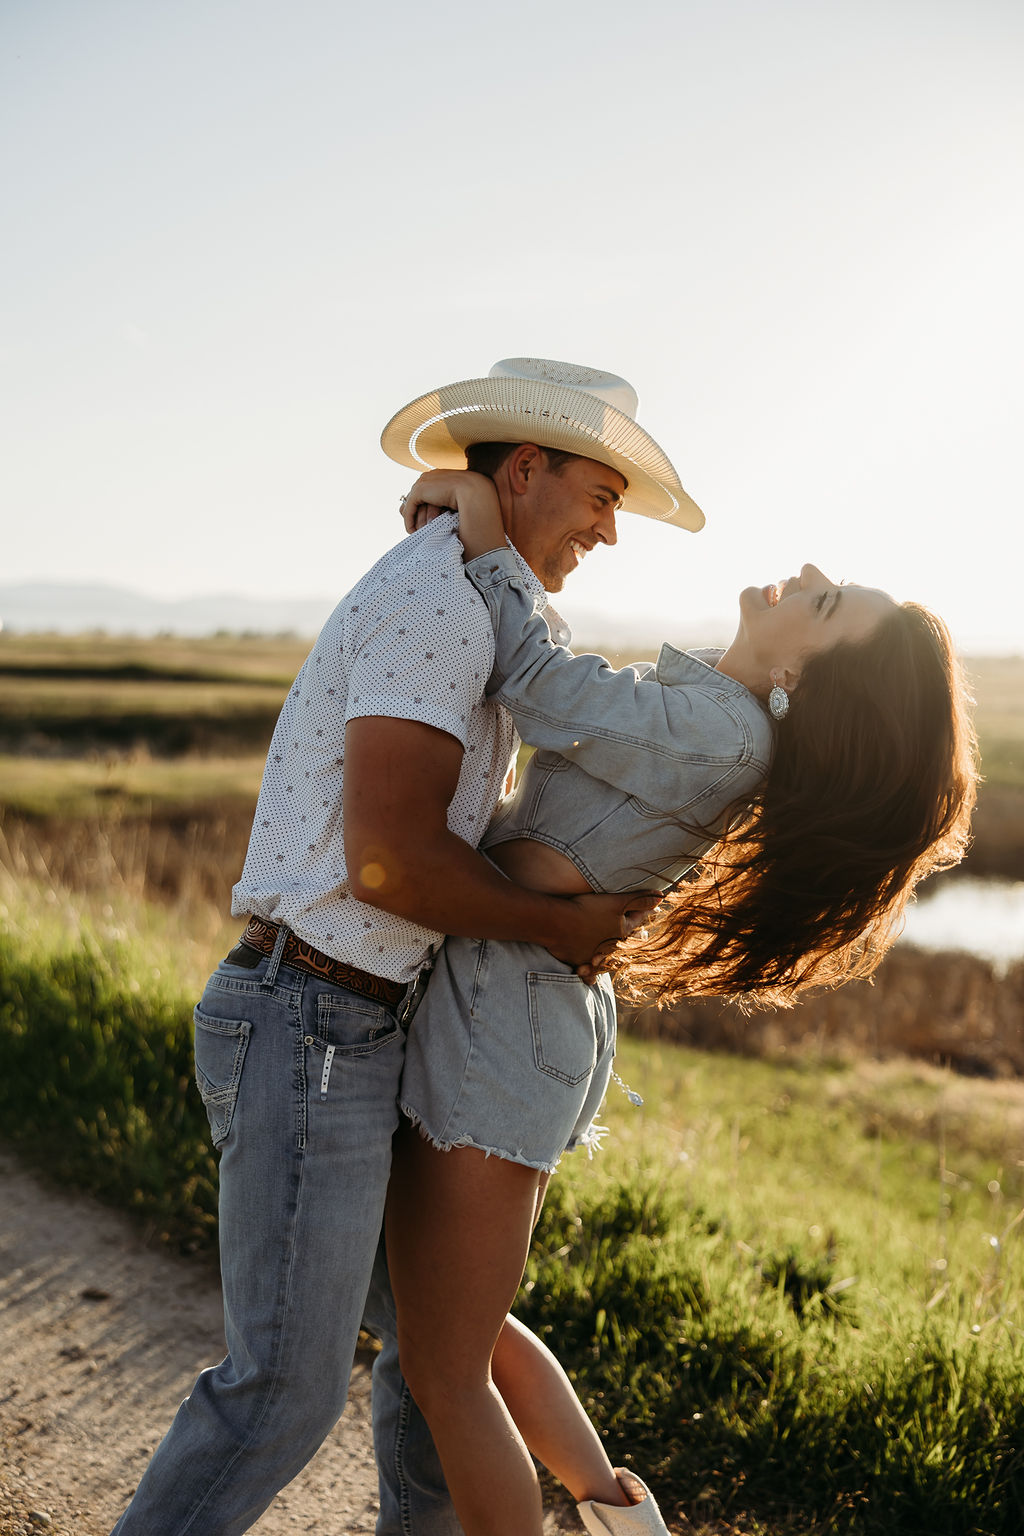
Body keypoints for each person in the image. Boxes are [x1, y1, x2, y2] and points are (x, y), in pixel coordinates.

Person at [109, 357, 700, 1536]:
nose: (610, 530)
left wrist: (468, 512)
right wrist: (559, 925)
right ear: (526, 468)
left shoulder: (481, 594)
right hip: (310, 1019)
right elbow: (389, 863)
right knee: (281, 1393)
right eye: (599, 494)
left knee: (436, 1351)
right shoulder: (436, 604)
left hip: (362, 1020)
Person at [384, 468, 979, 1536]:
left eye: (829, 601)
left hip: (513, 1019)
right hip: (517, 1006)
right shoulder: (715, 708)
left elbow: (537, 678)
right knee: (464, 1334)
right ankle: (623, 1522)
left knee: (446, 1369)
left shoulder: (720, 733)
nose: (806, 575)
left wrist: (487, 539)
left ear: (804, 670)